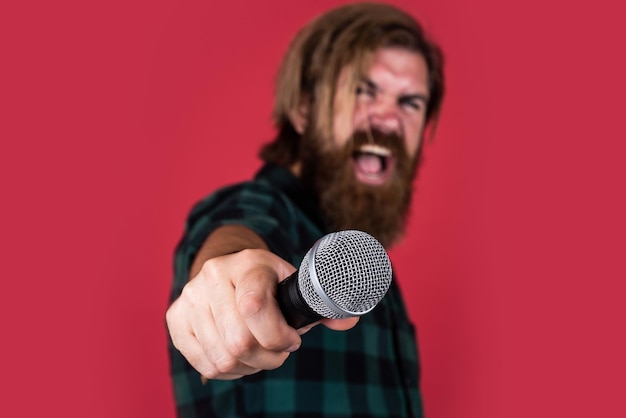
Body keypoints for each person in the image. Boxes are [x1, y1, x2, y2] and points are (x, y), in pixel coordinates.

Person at [166, 2, 445, 417]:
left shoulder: (361, 270)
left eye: (410, 103)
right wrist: (229, 282)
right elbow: (233, 239)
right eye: (362, 91)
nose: (388, 118)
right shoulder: (255, 206)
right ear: (303, 109)